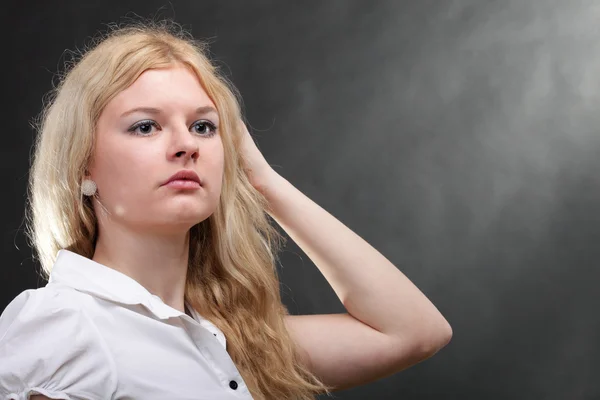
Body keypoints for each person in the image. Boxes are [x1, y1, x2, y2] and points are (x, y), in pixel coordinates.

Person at [0, 20, 452, 400]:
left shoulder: (232, 338)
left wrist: (263, 182)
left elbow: (414, 332)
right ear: (83, 168)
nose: (185, 146)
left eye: (203, 126)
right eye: (145, 126)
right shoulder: (63, 327)